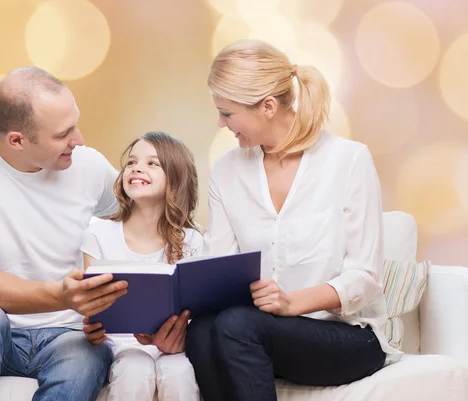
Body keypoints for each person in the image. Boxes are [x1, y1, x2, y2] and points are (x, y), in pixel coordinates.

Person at [185, 40, 401, 401]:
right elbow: (220, 268)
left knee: (236, 325)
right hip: (259, 333)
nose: (221, 124)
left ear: (267, 106)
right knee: (202, 330)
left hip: (347, 337)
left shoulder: (348, 160)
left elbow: (364, 277)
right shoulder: (226, 171)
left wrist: (291, 303)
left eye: (227, 113)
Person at [0, 67, 128, 401]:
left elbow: (147, 220)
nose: (78, 140)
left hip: (71, 335)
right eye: (63, 134)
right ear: (17, 140)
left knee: (86, 353)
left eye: (75, 124)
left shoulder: (88, 165)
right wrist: (61, 295)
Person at [81, 132, 203, 401]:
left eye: (152, 163)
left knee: (178, 371)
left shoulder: (193, 241)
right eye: (132, 162)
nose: (137, 167)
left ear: (175, 177)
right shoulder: (99, 235)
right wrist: (90, 325)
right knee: (134, 369)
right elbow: (93, 306)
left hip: (174, 348)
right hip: (121, 347)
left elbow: (198, 313)